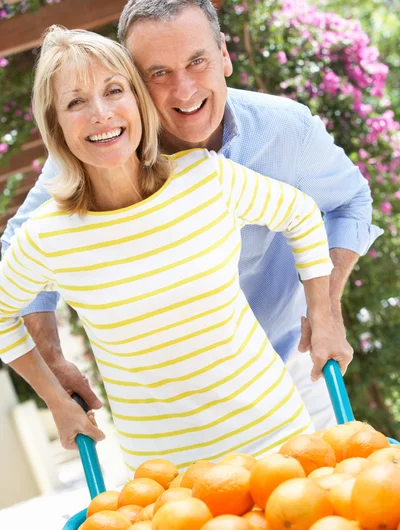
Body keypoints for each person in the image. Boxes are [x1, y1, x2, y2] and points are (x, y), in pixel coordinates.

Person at [1, 0, 380, 430]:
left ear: (224, 54)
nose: (183, 90)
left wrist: (325, 310)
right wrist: (51, 361)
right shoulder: (99, 150)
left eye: (197, 61)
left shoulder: (284, 130)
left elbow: (347, 204)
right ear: (135, 83)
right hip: (175, 407)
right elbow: (22, 256)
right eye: (158, 73)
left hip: (291, 361)